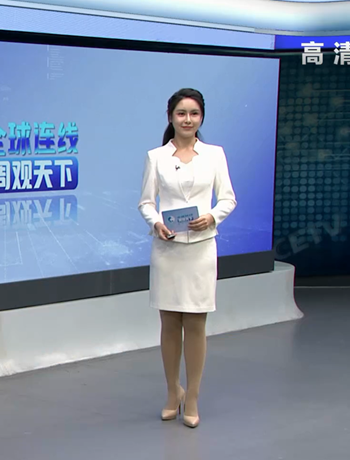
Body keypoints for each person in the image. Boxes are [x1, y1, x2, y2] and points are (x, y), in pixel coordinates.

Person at [138, 88, 237, 428]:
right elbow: (146, 202)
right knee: (169, 324)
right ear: (171, 117)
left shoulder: (214, 155)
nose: (187, 119)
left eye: (194, 113)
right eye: (181, 113)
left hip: (201, 249)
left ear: (201, 118)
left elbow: (228, 198)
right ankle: (172, 392)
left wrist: (211, 217)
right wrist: (156, 223)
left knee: (195, 324)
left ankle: (192, 395)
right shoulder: (156, 157)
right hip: (167, 249)